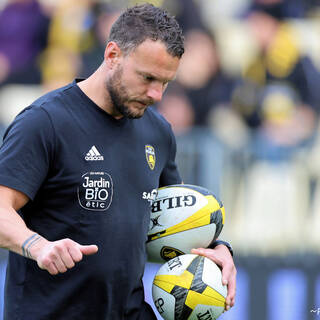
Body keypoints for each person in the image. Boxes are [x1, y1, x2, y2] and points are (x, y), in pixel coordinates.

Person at [0, 4, 236, 319]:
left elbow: (175, 222)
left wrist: (219, 250)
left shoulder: (159, 131)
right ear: (112, 55)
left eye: (165, 83)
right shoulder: (44, 122)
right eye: (148, 77)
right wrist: (38, 246)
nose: (157, 95)